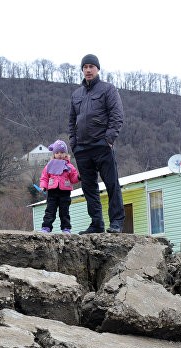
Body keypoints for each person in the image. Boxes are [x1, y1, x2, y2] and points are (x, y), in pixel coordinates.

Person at [68, 53, 125, 234]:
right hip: (82, 149)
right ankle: (96, 224)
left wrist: (108, 140)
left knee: (112, 184)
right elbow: (71, 120)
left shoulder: (108, 89)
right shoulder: (76, 94)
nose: (88, 70)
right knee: (89, 188)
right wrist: (73, 143)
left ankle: (116, 222)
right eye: (85, 67)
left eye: (91, 66)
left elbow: (117, 115)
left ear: (97, 69)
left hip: (101, 145)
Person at [37, 139, 79, 233]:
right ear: (54, 154)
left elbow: (73, 179)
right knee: (50, 210)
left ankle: (66, 228)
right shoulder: (49, 165)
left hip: (65, 193)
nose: (59, 154)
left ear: (66, 154)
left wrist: (79, 177)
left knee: (64, 212)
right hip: (52, 192)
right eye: (57, 152)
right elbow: (44, 177)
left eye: (62, 152)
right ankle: (46, 227)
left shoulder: (70, 166)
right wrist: (43, 186)